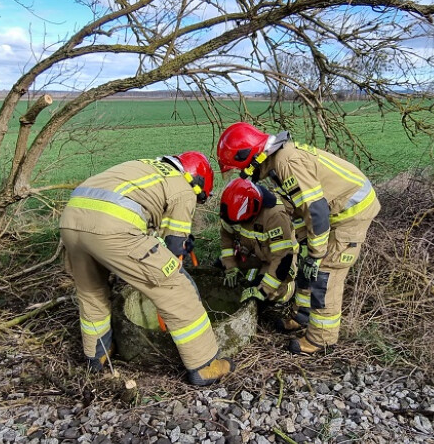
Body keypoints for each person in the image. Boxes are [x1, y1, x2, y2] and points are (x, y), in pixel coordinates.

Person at [59, 152, 233, 386]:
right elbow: (173, 247)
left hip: (71, 220)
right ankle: (205, 365)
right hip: (111, 227)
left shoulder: (147, 168)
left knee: (92, 291)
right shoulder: (184, 188)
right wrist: (176, 252)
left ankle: (98, 356)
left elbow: (145, 223)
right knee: (176, 287)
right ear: (198, 182)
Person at [216, 123, 381, 355]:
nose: (243, 174)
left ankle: (321, 339)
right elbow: (302, 206)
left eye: (241, 168)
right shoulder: (277, 161)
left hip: (348, 214)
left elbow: (316, 211)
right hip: (332, 212)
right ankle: (301, 316)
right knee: (305, 264)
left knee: (325, 273)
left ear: (251, 157)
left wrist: (316, 254)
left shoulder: (286, 162)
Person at [217, 177, 301, 305]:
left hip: (280, 260)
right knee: (219, 266)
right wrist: (230, 266)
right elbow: (226, 235)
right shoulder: (232, 213)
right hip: (255, 253)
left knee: (261, 298)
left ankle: (289, 290)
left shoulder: (275, 215)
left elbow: (282, 259)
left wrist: (263, 290)